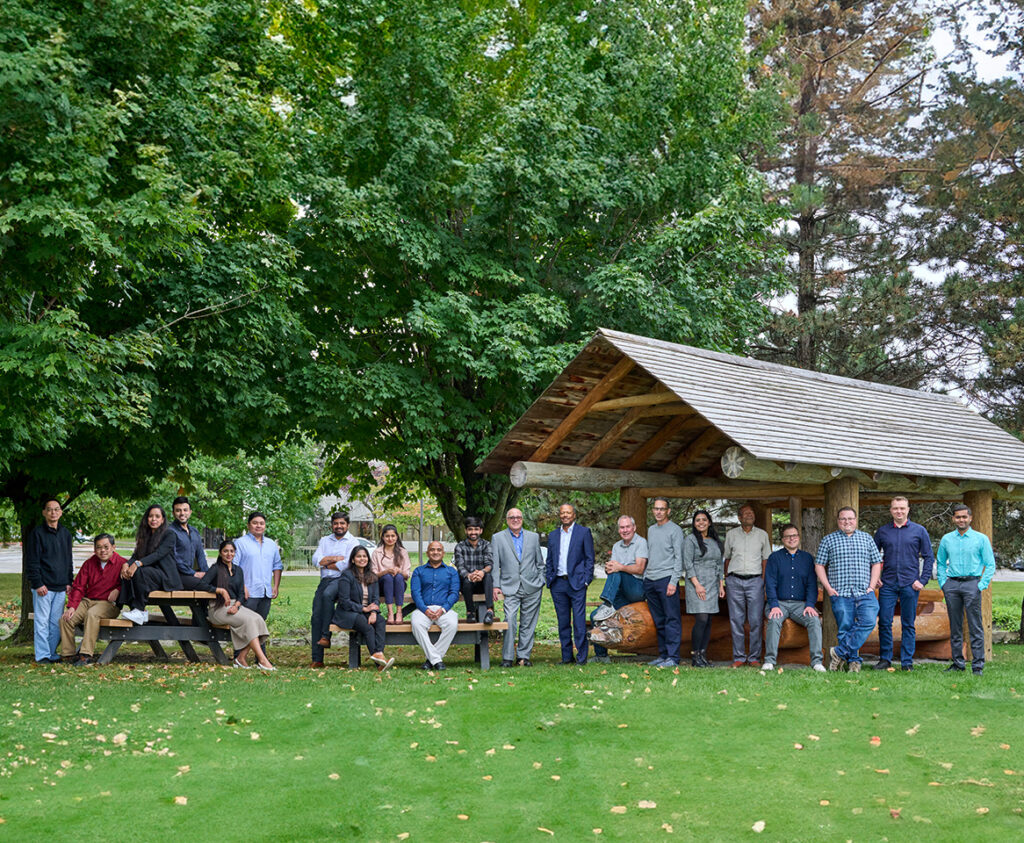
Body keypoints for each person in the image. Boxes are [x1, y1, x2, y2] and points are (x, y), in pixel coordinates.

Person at [815, 507, 882, 673]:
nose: (847, 522)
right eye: (843, 519)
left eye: (850, 518)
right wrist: (828, 588)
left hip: (864, 592)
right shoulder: (828, 540)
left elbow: (876, 563)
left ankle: (838, 652)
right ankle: (853, 663)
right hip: (840, 593)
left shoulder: (866, 538)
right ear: (838, 521)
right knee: (845, 628)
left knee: (868, 621)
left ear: (856, 520)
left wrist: (871, 586)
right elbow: (819, 565)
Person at [872, 496, 936, 671]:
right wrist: (875, 577)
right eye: (895, 508)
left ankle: (907, 661)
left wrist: (922, 580)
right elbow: (872, 556)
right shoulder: (883, 532)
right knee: (884, 622)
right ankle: (885, 659)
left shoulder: (919, 531)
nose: (898, 511)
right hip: (888, 584)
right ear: (890, 510)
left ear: (908, 510)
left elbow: (929, 557)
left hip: (910, 584)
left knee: (908, 623)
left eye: (902, 508)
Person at [936, 504, 995, 675]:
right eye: (958, 517)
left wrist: (981, 585)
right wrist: (943, 583)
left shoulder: (980, 539)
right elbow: (940, 562)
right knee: (955, 626)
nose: (961, 520)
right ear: (953, 519)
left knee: (975, 626)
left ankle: (977, 665)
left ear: (970, 518)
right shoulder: (947, 539)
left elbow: (990, 564)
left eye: (964, 517)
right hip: (952, 585)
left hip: (972, 584)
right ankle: (958, 663)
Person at [198, 540, 274, 671]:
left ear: (235, 553)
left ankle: (241, 658)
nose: (229, 554)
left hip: (235, 606)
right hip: (218, 608)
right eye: (225, 551)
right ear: (220, 553)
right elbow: (200, 585)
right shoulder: (216, 568)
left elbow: (240, 593)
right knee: (250, 621)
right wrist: (220, 590)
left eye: (231, 551)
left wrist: (237, 605)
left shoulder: (238, 570)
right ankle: (263, 660)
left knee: (258, 619)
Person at [763, 524, 825, 673]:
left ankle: (816, 661)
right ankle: (770, 661)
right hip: (779, 603)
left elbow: (811, 584)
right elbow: (770, 583)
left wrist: (810, 604)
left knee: (814, 620)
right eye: (788, 536)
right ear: (783, 539)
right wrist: (774, 605)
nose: (792, 539)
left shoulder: (807, 558)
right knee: (773, 620)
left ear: (799, 537)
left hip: (801, 604)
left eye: (794, 536)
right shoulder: (774, 558)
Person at [59, 534, 125, 665]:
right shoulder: (89, 563)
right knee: (65, 619)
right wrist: (72, 606)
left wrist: (119, 589)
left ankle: (86, 655)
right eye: (99, 548)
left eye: (106, 547)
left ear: (113, 547)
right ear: (94, 550)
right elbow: (79, 586)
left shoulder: (123, 563)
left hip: (109, 604)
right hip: (88, 601)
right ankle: (69, 655)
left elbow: (130, 584)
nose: (103, 551)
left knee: (92, 614)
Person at [590, 515, 648, 663]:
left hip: (637, 590)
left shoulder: (641, 542)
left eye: (628, 526)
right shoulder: (616, 546)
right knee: (595, 616)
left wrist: (618, 567)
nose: (625, 530)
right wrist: (609, 568)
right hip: (621, 593)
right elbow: (613, 569)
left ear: (634, 528)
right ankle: (601, 656)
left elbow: (640, 569)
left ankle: (608, 603)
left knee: (619, 570)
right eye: (622, 527)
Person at [491, 508, 545, 667]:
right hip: (509, 587)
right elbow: (495, 565)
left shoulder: (533, 537)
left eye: (518, 517)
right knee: (510, 620)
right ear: (507, 520)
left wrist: (541, 580)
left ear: (522, 519)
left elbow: (540, 563)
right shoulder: (498, 538)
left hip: (532, 587)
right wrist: (495, 585)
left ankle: (523, 657)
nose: (515, 519)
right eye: (512, 517)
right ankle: (507, 658)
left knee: (528, 623)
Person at [545, 503, 595, 665]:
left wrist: (586, 580)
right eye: (562, 513)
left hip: (577, 583)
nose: (565, 515)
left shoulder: (583, 532)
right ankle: (567, 657)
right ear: (559, 515)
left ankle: (581, 658)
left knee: (579, 623)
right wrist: (549, 579)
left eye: (568, 513)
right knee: (563, 623)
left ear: (574, 515)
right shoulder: (553, 535)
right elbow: (550, 560)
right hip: (558, 584)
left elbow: (589, 558)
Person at [722, 503, 771, 668]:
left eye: (751, 513)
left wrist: (763, 582)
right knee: (736, 620)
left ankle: (755, 658)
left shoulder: (762, 535)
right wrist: (726, 577)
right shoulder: (731, 534)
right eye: (745, 513)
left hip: (755, 581)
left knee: (756, 620)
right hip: (734, 581)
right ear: (739, 517)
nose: (749, 515)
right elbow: (727, 558)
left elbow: (766, 560)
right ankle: (739, 657)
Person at [330, 545, 394, 670]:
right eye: (359, 556)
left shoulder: (372, 577)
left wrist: (374, 612)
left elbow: (375, 598)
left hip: (366, 612)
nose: (362, 559)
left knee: (380, 621)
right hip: (347, 613)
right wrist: (363, 609)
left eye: (364, 556)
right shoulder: (346, 576)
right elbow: (344, 601)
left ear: (368, 559)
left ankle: (379, 653)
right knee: (368, 628)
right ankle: (379, 662)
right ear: (353, 559)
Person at [26, 498, 74, 663]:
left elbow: (69, 559)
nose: (53, 512)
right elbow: (32, 561)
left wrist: (69, 581)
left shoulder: (66, 533)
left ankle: (52, 653)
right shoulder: (37, 534)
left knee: (55, 624)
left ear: (60, 512)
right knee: (41, 623)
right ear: (44, 513)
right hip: (43, 587)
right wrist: (38, 583)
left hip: (61, 587)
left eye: (56, 509)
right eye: (49, 509)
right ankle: (42, 655)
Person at [309, 512, 359, 668]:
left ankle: (326, 635)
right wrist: (336, 559)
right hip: (325, 580)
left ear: (347, 525)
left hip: (343, 581)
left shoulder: (353, 542)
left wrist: (326, 561)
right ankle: (317, 659)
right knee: (316, 616)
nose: (339, 526)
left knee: (327, 595)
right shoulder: (324, 540)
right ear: (332, 525)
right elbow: (316, 560)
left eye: (342, 523)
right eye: (336, 523)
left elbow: (347, 565)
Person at [118, 505, 182, 625]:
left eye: (157, 516)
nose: (153, 519)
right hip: (148, 578)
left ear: (162, 520)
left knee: (140, 571)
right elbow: (136, 555)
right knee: (128, 573)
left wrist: (138, 564)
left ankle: (140, 610)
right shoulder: (145, 536)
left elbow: (158, 554)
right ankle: (129, 608)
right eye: (150, 516)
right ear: (146, 519)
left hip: (165, 577)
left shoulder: (169, 534)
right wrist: (126, 565)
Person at [643, 498, 685, 668]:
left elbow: (679, 558)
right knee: (659, 620)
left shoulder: (675, 530)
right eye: (656, 509)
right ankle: (663, 655)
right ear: (653, 511)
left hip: (667, 579)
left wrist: (674, 581)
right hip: (651, 580)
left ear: (668, 511)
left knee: (672, 619)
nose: (659, 512)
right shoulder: (651, 530)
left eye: (662, 509)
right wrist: (646, 576)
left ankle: (674, 657)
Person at [409, 541, 461, 670]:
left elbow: (454, 593)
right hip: (423, 609)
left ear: (443, 553)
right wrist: (425, 610)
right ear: (427, 553)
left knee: (452, 624)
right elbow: (416, 593)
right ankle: (437, 660)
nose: (435, 552)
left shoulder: (451, 572)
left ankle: (430, 660)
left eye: (439, 550)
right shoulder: (418, 571)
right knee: (416, 623)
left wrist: (443, 609)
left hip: (444, 610)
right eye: (432, 550)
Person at [683, 509, 725, 668]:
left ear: (709, 522)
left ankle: (703, 655)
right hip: (696, 583)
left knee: (708, 621)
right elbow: (687, 564)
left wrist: (721, 585)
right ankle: (695, 656)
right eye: (697, 520)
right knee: (701, 619)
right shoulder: (691, 540)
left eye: (704, 520)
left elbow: (719, 564)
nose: (701, 522)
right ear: (694, 523)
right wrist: (697, 585)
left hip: (713, 584)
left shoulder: (715, 540)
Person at [233, 512, 282, 621]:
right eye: (255, 523)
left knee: (261, 623)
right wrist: (242, 587)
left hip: (266, 592)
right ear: (248, 525)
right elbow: (233, 567)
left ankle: (260, 639)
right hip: (248, 593)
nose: (258, 526)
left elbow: (277, 565)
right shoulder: (240, 543)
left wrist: (276, 586)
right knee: (246, 624)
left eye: (261, 523)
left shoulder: (271, 544)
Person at [454, 516, 495, 623]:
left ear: (480, 531)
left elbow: (489, 564)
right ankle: (470, 612)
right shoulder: (460, 546)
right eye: (470, 529)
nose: (473, 532)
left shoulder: (487, 545)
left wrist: (482, 572)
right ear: (466, 531)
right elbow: (460, 567)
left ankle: (490, 611)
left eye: (476, 529)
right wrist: (470, 575)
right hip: (467, 584)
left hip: (483, 583)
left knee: (488, 576)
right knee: (466, 581)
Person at [372, 524, 412, 624]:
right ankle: (390, 612)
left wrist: (399, 571)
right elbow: (373, 575)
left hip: (399, 585)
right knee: (388, 577)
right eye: (387, 536)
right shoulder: (377, 552)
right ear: (383, 537)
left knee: (398, 577)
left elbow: (407, 575)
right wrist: (386, 571)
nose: (390, 539)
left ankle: (399, 612)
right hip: (383, 585)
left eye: (393, 536)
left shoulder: (403, 552)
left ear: (397, 537)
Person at [170, 496, 208, 589]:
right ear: (173, 513)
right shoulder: (170, 532)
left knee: (220, 579)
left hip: (191, 574)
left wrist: (206, 573)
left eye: (185, 510)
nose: (182, 513)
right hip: (178, 575)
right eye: (178, 510)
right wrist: (194, 573)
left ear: (190, 512)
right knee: (206, 586)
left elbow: (200, 555)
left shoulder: (194, 531)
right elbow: (174, 558)